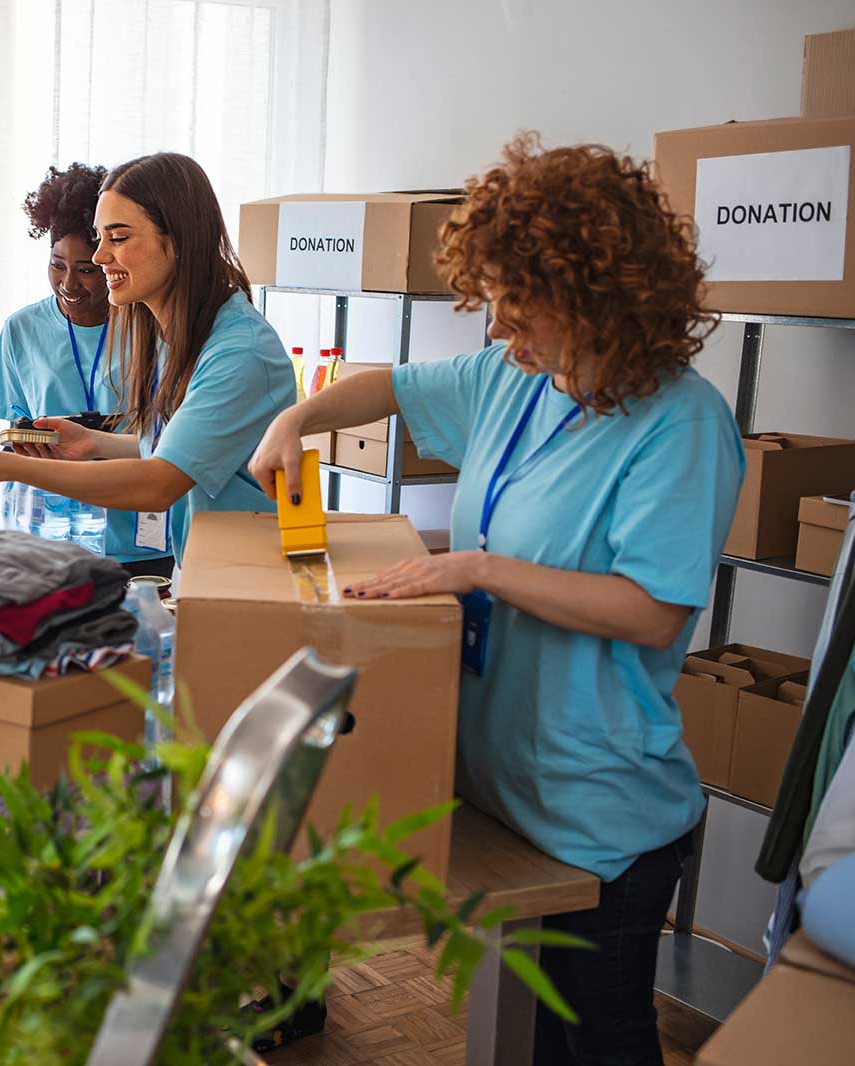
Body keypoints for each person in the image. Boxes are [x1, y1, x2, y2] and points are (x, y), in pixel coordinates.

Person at [249, 133, 745, 1065]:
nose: (501, 336)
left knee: (590, 1043)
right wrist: (296, 417)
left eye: (523, 315)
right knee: (513, 1035)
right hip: (498, 789)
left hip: (598, 814)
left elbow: (651, 612)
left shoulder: (682, 426)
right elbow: (386, 387)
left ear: (601, 301)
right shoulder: (514, 379)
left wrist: (473, 570)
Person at [0, 151, 294, 568]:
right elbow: (174, 448)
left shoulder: (239, 352)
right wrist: (94, 443)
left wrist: (1, 468)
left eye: (119, 238)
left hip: (253, 577)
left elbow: (160, 483)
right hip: (211, 571)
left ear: (178, 239)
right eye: (100, 237)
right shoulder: (173, 334)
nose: (100, 256)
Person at [0, 162, 174, 578]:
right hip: (47, 539)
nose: (69, 284)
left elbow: (173, 441)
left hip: (137, 541)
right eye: (57, 265)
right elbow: (14, 425)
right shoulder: (23, 330)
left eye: (86, 270)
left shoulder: (152, 327)